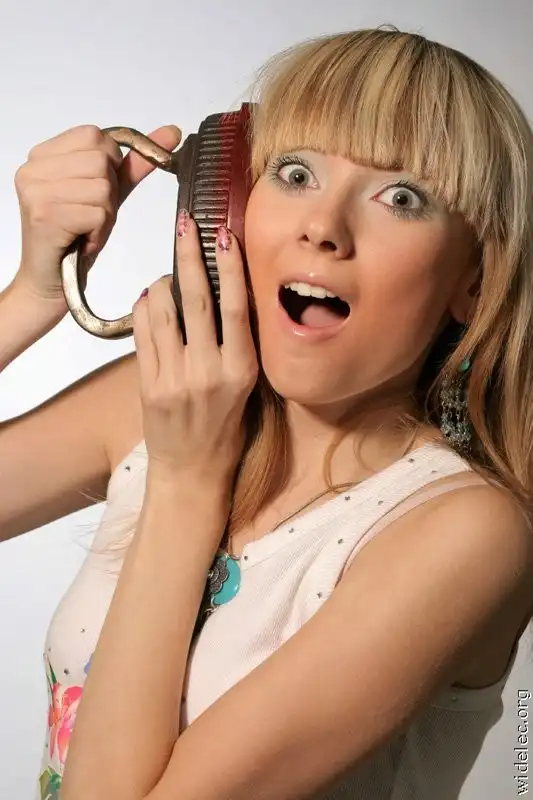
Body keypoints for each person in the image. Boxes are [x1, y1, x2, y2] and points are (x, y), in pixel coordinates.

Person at [2, 25, 533, 800]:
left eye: (401, 198)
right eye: (295, 173)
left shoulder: (465, 533)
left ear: (472, 282)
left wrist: (186, 484)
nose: (323, 227)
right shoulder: (167, 399)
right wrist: (31, 296)